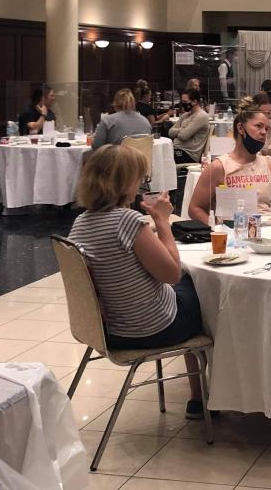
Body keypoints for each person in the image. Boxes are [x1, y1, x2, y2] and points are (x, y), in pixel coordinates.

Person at [67, 144, 208, 419]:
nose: (141, 185)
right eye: (139, 179)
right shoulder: (127, 221)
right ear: (123, 182)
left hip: (110, 330)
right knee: (196, 282)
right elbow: (171, 273)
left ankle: (198, 396)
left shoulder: (80, 223)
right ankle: (199, 396)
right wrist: (163, 222)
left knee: (183, 288)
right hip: (151, 328)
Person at [189, 98, 271, 220]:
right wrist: (217, 230)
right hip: (232, 231)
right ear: (241, 128)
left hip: (266, 230)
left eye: (266, 128)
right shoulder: (219, 167)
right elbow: (195, 208)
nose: (264, 132)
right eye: (259, 126)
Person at [169, 89, 210, 163]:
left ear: (194, 102)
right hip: (177, 150)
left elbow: (183, 136)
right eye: (182, 102)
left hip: (188, 154)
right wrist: (182, 129)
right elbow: (170, 132)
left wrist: (180, 131)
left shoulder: (201, 116)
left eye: (185, 102)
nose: (183, 104)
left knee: (162, 158)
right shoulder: (185, 115)